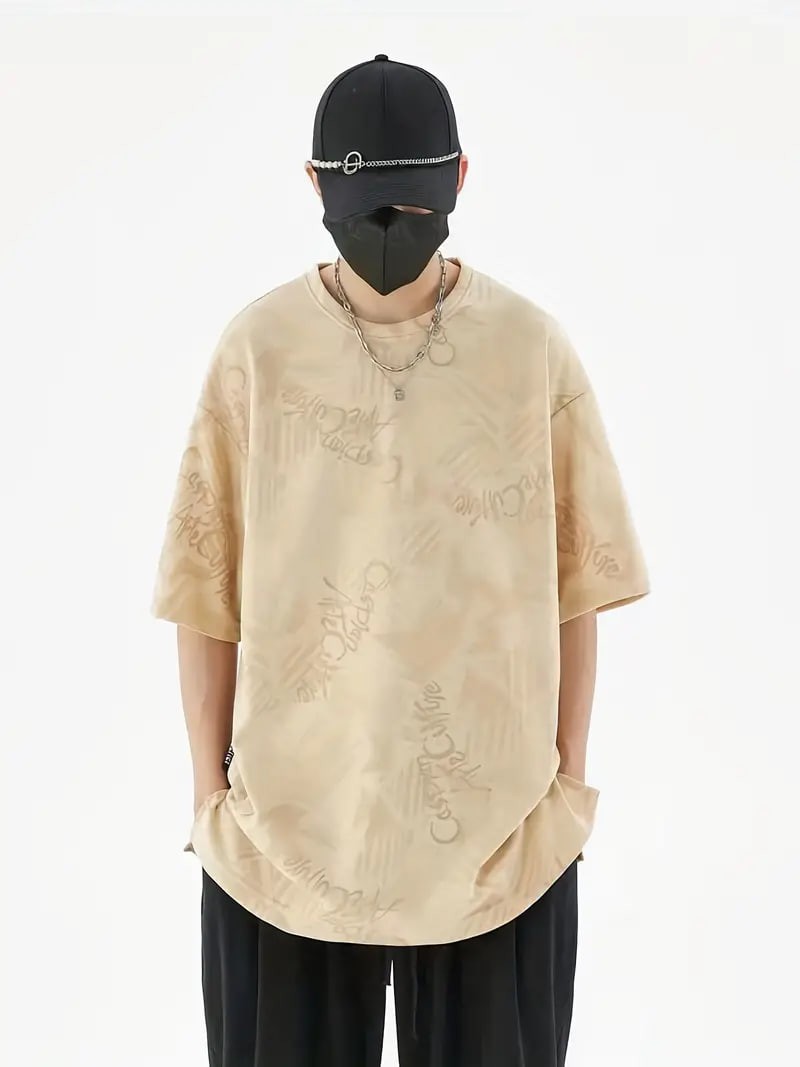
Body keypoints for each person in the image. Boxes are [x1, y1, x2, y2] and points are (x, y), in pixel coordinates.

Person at [151, 53, 651, 1067]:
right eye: (368, 202)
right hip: (285, 838)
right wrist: (210, 800)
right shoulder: (258, 351)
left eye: (410, 201)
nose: (388, 228)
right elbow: (205, 588)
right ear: (313, 187)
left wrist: (564, 786)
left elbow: (577, 584)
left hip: (499, 843)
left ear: (459, 179)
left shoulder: (527, 349)